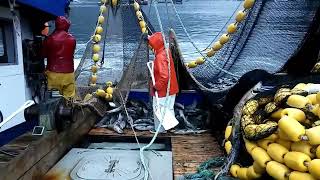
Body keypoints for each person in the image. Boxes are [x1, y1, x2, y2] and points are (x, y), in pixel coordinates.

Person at [148, 32, 179, 132]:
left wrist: (156, 87)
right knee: (169, 109)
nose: (150, 46)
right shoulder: (166, 51)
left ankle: (160, 130)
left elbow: (164, 77)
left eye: (151, 44)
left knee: (159, 109)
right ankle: (171, 128)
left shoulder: (160, 57)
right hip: (172, 89)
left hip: (163, 91)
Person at [42, 16, 76, 99]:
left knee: (53, 98)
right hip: (68, 73)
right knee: (69, 98)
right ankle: (68, 108)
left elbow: (43, 54)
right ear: (67, 26)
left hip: (53, 73)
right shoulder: (72, 39)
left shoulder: (49, 39)